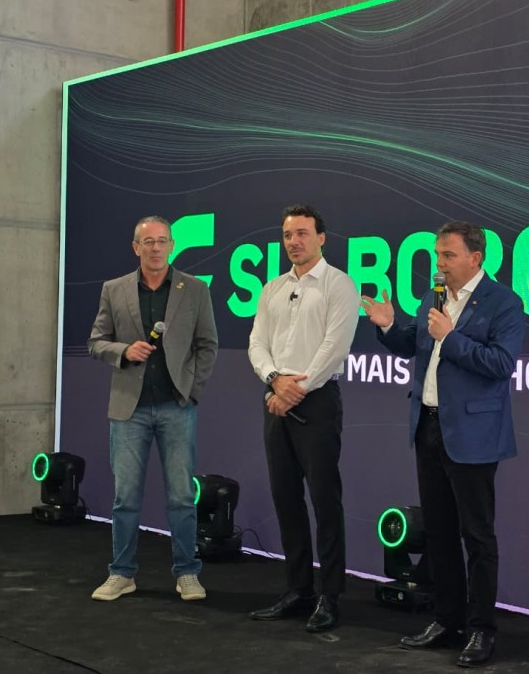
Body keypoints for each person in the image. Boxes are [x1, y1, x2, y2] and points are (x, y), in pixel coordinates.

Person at [361, 220, 524, 667]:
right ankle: (447, 619)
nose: (440, 264)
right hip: (428, 427)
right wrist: (388, 326)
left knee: (477, 536)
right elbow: (416, 345)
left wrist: (450, 337)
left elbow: (500, 364)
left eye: (448, 255)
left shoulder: (504, 302)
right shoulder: (433, 297)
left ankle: (481, 629)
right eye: (437, 255)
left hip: (473, 434)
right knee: (439, 532)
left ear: (476, 257)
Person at [87, 215, 218, 603]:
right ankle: (121, 573)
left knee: (181, 497)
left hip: (176, 407)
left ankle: (187, 572)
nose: (156, 248)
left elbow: (207, 345)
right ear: (136, 247)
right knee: (125, 498)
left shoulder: (195, 289)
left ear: (172, 246)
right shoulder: (114, 290)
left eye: (162, 241)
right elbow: (96, 342)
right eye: (148, 242)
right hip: (129, 410)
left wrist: (191, 392)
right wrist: (124, 351)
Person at [247, 205, 359, 633]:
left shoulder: (339, 284)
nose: (294, 242)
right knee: (286, 498)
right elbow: (257, 342)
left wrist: (296, 389)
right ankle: (298, 590)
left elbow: (335, 347)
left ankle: (330, 595)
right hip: (276, 398)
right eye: (288, 235)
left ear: (321, 238)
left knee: (325, 501)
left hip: (317, 402)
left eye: (302, 233)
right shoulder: (273, 288)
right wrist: (275, 381)